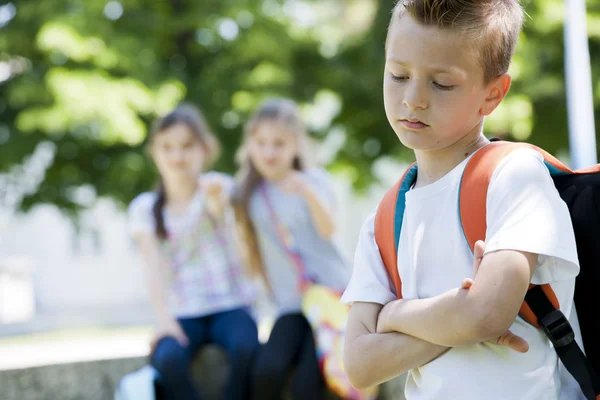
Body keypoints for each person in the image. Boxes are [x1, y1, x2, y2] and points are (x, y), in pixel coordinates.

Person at [341, 1, 581, 399]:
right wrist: (458, 319)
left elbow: (486, 314)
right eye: (398, 75)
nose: (413, 99)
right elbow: (360, 365)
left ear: (492, 95)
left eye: (442, 84)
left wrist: (394, 315)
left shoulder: (514, 175)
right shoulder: (385, 218)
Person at [127, 104, 259, 400]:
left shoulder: (219, 187)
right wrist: (163, 319)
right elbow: (152, 268)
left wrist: (215, 201)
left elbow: (220, 211)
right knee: (168, 358)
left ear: (205, 149)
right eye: (167, 147)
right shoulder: (145, 209)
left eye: (187, 146)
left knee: (246, 346)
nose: (177, 156)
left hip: (231, 305)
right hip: (182, 311)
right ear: (155, 152)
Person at [231, 98, 351, 400]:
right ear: (250, 145)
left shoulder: (315, 181)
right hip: (290, 304)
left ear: (295, 145)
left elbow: (329, 229)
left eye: (279, 144)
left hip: (330, 298)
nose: (269, 152)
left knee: (307, 386)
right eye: (261, 143)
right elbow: (250, 253)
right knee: (266, 371)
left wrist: (308, 193)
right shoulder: (248, 194)